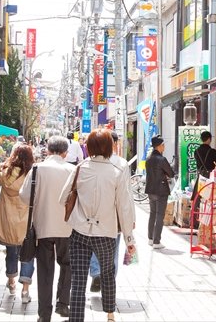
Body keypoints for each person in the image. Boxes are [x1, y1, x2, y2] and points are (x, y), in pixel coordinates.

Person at [60, 129, 136, 322]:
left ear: (89, 147)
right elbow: (124, 206)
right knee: (108, 273)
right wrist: (129, 239)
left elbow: (63, 198)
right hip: (106, 233)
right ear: (110, 146)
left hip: (79, 232)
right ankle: (110, 315)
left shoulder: (81, 167)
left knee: (78, 279)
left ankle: (76, 319)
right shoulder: (118, 170)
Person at [20, 135, 75, 321]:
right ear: (66, 153)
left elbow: (24, 196)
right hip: (68, 227)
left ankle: (44, 314)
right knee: (67, 265)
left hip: (43, 227)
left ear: (48, 150)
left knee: (45, 269)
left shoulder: (37, 169)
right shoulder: (72, 169)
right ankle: (63, 304)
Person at [88, 131, 134, 293]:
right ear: (113, 143)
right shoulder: (121, 164)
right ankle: (109, 281)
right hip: (114, 216)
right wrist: (130, 220)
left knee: (93, 245)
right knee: (112, 249)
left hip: (92, 216)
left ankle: (95, 272)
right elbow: (127, 196)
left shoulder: (87, 163)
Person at [0, 144, 35, 300]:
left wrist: (3, 164)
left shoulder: (7, 173)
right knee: (28, 254)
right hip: (27, 221)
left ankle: (11, 281)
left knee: (11, 252)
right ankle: (25, 290)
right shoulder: (32, 174)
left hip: (9, 220)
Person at [145, 135, 174, 249]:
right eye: (163, 145)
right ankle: (157, 241)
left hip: (150, 190)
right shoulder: (162, 159)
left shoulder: (148, 158)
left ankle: (150, 239)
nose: (164, 147)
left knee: (152, 214)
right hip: (161, 190)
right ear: (159, 146)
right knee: (159, 215)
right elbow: (171, 173)